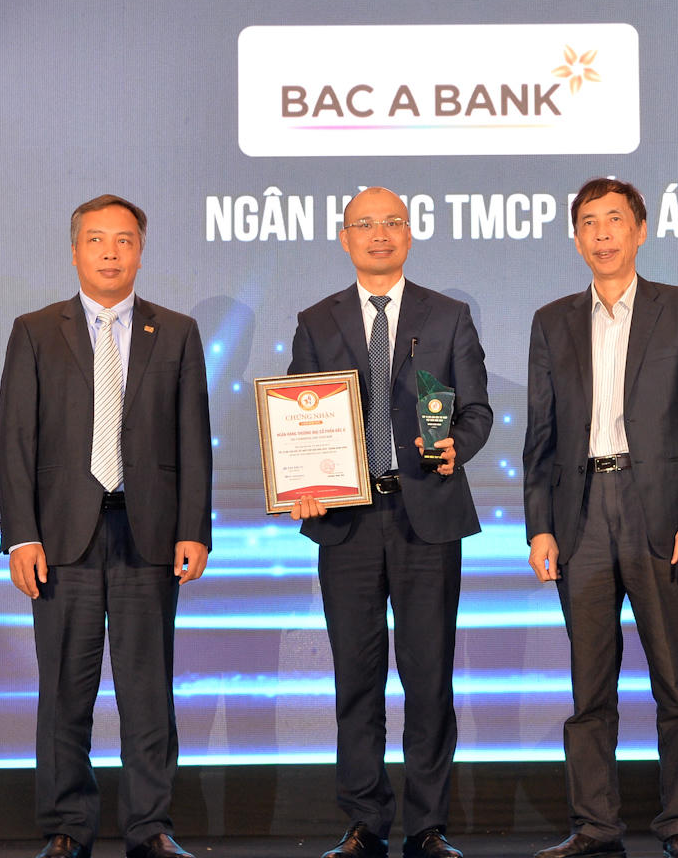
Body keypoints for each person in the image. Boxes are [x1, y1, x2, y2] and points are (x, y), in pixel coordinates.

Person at [0, 194, 212, 858]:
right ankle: (67, 827)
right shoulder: (36, 330)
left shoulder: (175, 332)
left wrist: (194, 528)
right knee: (65, 691)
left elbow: (193, 439)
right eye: (96, 240)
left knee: (149, 693)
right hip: (62, 539)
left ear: (141, 252)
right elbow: (15, 441)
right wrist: (22, 535)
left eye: (124, 240)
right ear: (75, 252)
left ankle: (151, 827)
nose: (111, 252)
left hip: (149, 537)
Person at [286, 187, 493, 858]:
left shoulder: (449, 316)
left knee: (429, 676)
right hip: (346, 520)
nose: (380, 234)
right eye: (366, 224)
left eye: (393, 223)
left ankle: (427, 824)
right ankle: (363, 821)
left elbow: (476, 411)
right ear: (345, 237)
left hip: (425, 515)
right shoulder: (316, 320)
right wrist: (303, 481)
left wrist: (458, 444)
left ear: (410, 233)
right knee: (357, 676)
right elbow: (297, 414)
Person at [523, 178, 678, 858]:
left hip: (656, 513)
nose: (602, 233)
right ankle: (595, 824)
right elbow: (540, 437)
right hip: (579, 515)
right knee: (589, 686)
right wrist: (539, 526)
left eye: (614, 220)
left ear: (640, 230)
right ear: (576, 239)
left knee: (674, 682)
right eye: (588, 222)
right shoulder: (552, 321)